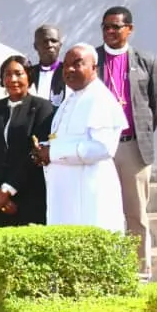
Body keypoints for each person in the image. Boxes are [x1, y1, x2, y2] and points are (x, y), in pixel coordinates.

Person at [96, 6, 157, 278]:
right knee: (102, 209)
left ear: (130, 29)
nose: (110, 32)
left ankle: (140, 272)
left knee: (135, 213)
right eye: (106, 27)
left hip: (132, 146)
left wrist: (140, 133)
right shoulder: (92, 58)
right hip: (100, 146)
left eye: (116, 27)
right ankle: (107, 272)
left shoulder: (147, 60)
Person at [34, 44, 128, 233]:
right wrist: (44, 149)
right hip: (66, 192)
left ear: (94, 68)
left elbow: (103, 148)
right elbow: (65, 139)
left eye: (77, 64)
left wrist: (53, 153)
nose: (69, 69)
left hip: (88, 193)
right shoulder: (72, 97)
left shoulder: (100, 98)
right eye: (66, 65)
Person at [0, 56, 55, 227]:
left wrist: (8, 190)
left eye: (18, 73)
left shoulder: (42, 108)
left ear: (29, 76)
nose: (13, 79)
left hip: (29, 193)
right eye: (7, 74)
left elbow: (35, 152)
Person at [27, 25, 66, 106]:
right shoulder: (28, 73)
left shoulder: (68, 72)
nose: (49, 44)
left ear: (60, 45)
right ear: (35, 46)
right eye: (44, 41)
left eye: (53, 41)